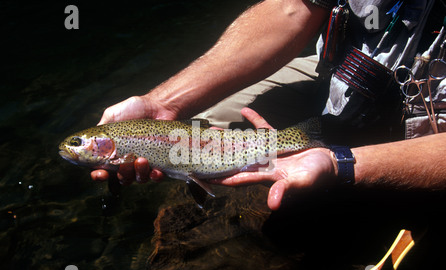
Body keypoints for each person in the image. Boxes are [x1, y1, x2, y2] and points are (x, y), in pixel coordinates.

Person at [90, 0, 446, 210]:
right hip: (343, 72)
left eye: (80, 142)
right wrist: (161, 104)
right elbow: (293, 7)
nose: (80, 147)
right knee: (208, 122)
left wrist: (342, 165)